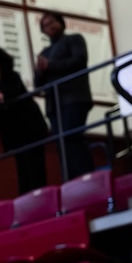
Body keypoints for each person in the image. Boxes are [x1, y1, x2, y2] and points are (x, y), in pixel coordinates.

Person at [0, 47, 48, 194]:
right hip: (14, 131)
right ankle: (26, 201)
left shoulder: (12, 75)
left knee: (35, 165)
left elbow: (12, 93)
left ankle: (40, 197)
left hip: (30, 125)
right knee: (22, 168)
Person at [34, 12, 95, 179]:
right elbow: (38, 85)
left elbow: (79, 61)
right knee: (62, 145)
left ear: (61, 23)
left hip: (74, 98)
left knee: (72, 138)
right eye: (45, 25)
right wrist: (39, 71)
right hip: (54, 105)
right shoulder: (44, 52)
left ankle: (87, 179)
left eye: (52, 22)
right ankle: (72, 183)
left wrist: (50, 65)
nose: (49, 27)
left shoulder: (74, 39)